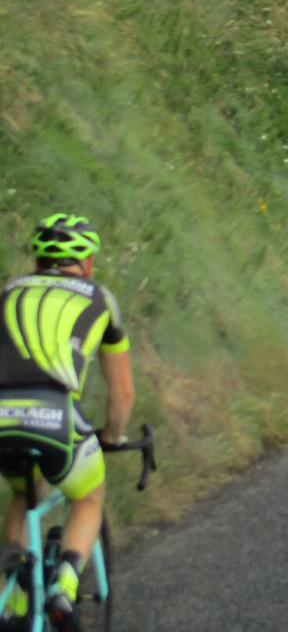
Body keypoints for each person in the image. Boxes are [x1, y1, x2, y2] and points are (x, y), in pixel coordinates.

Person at [0, 215, 134, 631]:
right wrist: (112, 436)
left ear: (37, 259)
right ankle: (65, 586)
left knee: (26, 496)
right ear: (88, 262)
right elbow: (123, 392)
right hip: (55, 413)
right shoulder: (100, 299)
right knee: (90, 494)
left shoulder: (6, 290)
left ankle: (15, 599)